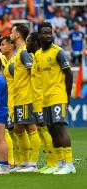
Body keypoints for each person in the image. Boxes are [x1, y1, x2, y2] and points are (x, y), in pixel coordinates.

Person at [37, 22, 75, 174]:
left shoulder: (58, 52)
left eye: (50, 32)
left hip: (57, 96)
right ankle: (60, 162)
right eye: (45, 33)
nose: (48, 35)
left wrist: (67, 95)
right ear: (39, 35)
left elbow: (69, 74)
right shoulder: (39, 55)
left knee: (59, 128)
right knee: (52, 130)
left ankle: (69, 163)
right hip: (45, 98)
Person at [10, 23, 41, 172]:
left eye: (11, 32)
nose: (10, 35)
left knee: (30, 127)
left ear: (17, 35)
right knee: (18, 129)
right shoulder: (18, 53)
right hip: (18, 97)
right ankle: (24, 162)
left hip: (26, 96)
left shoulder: (24, 52)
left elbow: (33, 73)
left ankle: (32, 163)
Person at [26, 32, 57, 174]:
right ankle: (50, 163)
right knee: (41, 131)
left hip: (43, 100)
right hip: (35, 100)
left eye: (28, 41)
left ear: (35, 43)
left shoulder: (41, 56)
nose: (26, 44)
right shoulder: (35, 56)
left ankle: (55, 162)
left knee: (46, 131)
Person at [0, 36, 19, 167]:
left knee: (20, 132)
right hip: (9, 102)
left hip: (17, 101)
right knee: (12, 132)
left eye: (2, 45)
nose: (0, 47)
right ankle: (18, 162)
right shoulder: (8, 62)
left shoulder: (13, 63)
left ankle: (26, 162)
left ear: (10, 46)